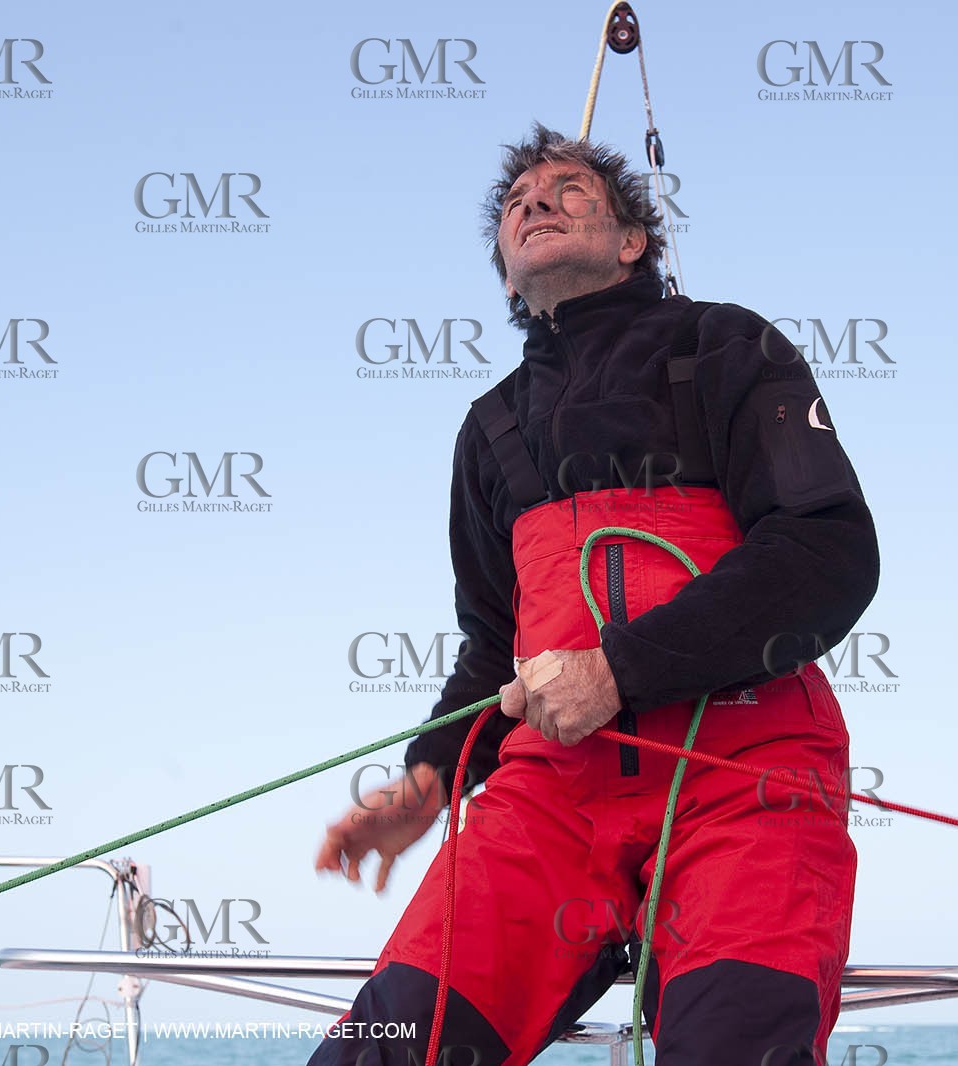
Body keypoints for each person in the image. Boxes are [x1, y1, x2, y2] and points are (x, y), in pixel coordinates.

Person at [308, 123, 879, 1066]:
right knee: (382, 1047)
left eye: (569, 189)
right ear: (505, 276)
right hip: (551, 799)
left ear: (631, 242)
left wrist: (617, 671)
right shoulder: (489, 429)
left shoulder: (727, 346)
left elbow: (826, 551)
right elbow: (494, 647)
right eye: (515, 201)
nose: (534, 201)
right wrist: (427, 780)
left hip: (746, 777)